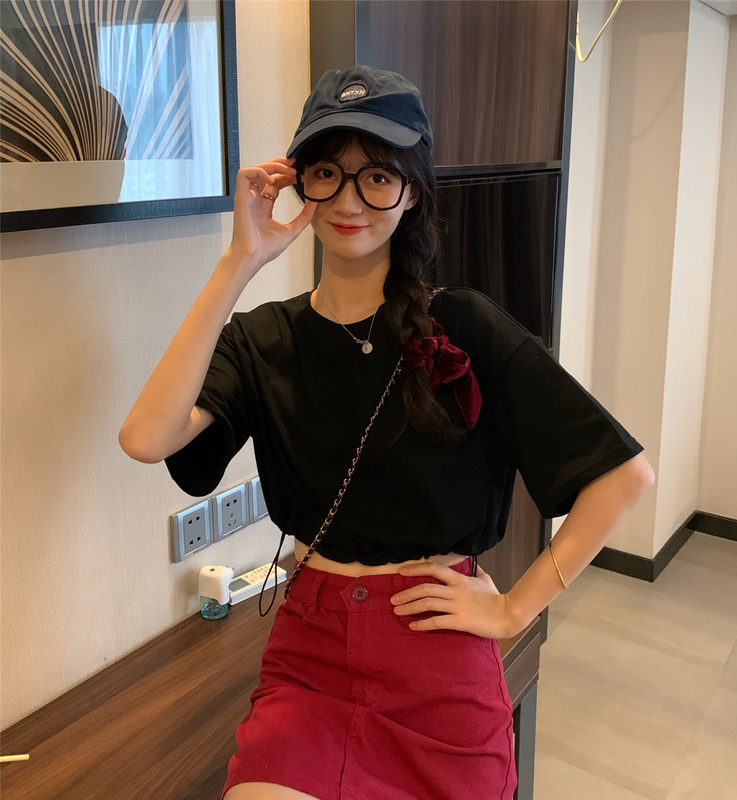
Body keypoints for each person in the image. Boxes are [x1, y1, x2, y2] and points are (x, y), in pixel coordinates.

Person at [118, 66, 654, 800]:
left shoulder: (465, 324)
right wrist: (239, 261)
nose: (348, 201)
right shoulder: (263, 338)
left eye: (376, 177)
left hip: (437, 650)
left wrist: (514, 607)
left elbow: (622, 475)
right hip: (310, 655)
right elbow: (147, 437)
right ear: (298, 183)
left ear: (412, 190)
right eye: (327, 174)